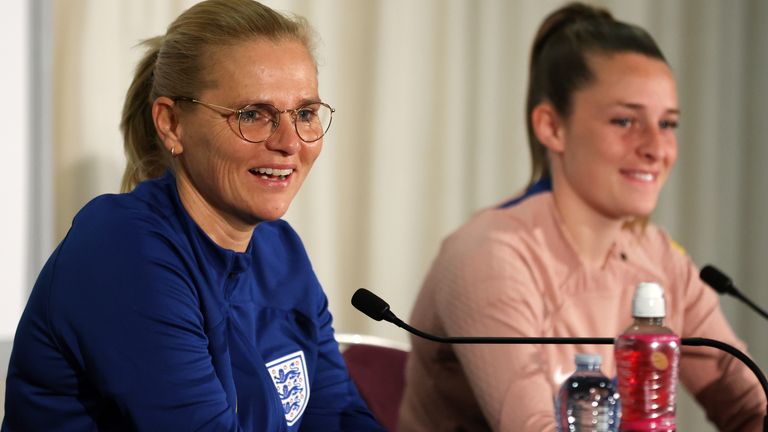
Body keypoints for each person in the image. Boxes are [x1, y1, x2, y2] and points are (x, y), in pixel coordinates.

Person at [2, 1, 384, 430]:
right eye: (253, 114)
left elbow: (337, 418)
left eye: (305, 114)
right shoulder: (122, 248)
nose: (290, 142)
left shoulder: (281, 250)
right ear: (171, 124)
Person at [398, 3, 766, 431]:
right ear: (552, 126)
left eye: (667, 124)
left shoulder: (660, 258)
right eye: (625, 120)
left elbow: (750, 407)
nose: (655, 147)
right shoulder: (491, 257)